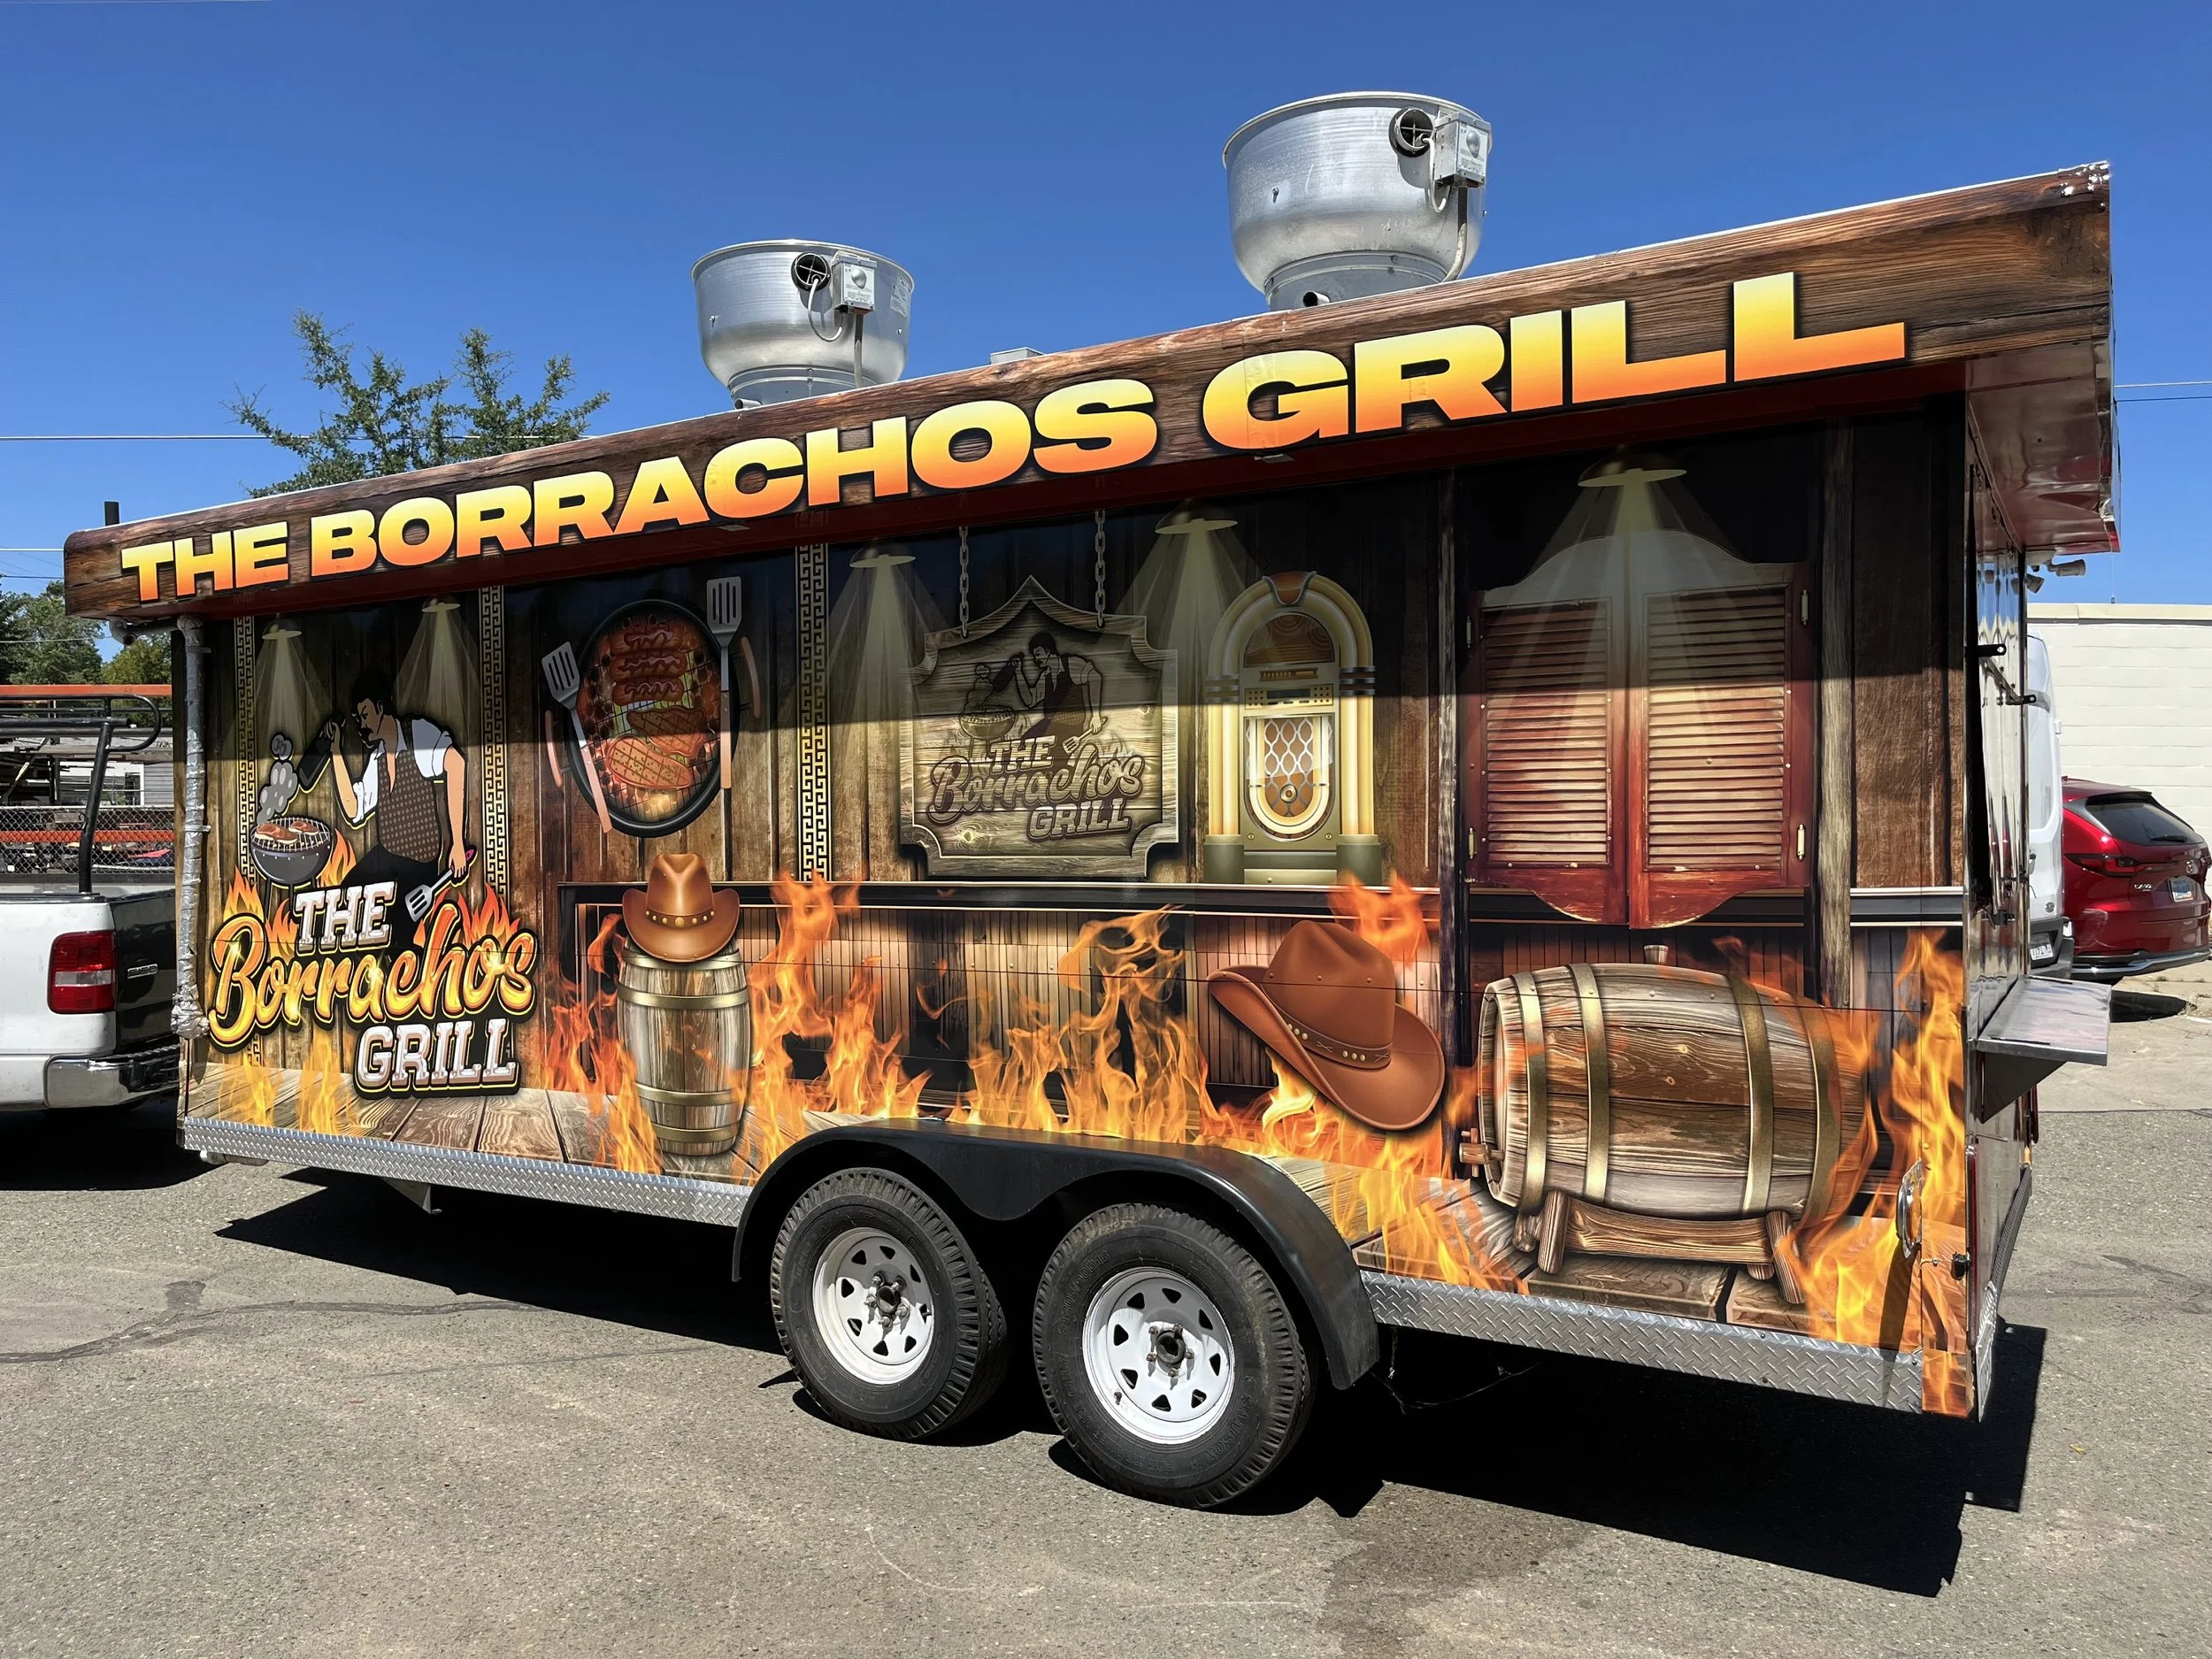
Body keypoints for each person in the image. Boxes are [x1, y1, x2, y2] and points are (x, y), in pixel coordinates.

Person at [324, 667, 469, 906]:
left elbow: (456, 763)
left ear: (381, 708)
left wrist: (458, 844)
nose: (362, 725)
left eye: (365, 715)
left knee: (399, 929)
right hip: (387, 859)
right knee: (345, 898)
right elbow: (353, 809)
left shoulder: (416, 734)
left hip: (419, 865)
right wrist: (336, 752)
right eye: (358, 719)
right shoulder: (377, 758)